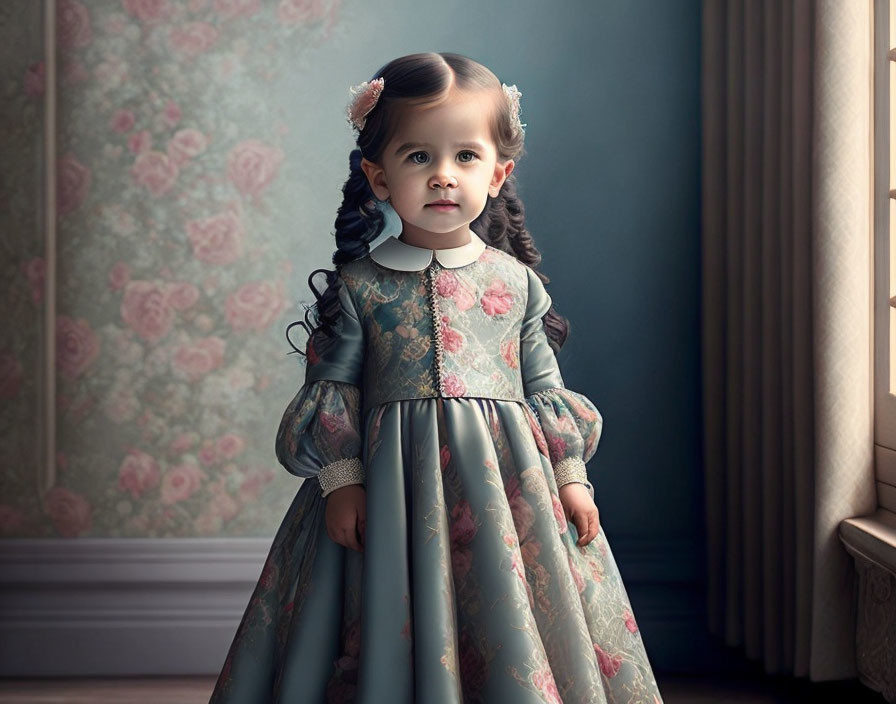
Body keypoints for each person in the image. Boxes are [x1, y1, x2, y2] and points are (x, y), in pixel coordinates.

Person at [210, 51, 663, 704]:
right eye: (419, 156)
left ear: (500, 173)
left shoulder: (516, 285)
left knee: (505, 613)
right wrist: (341, 483)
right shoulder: (363, 287)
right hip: (391, 489)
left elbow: (544, 390)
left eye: (466, 158)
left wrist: (571, 479)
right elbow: (333, 391)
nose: (443, 176)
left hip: (507, 494)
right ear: (379, 176)